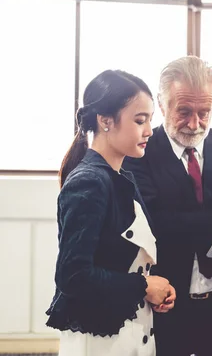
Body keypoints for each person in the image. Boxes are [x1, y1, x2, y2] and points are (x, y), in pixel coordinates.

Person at [123, 56, 212, 356]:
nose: (195, 123)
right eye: (184, 111)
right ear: (162, 106)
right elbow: (157, 225)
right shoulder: (139, 153)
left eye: (205, 112)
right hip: (167, 302)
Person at [46, 70, 176, 356]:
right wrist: (143, 286)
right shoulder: (89, 181)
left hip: (132, 335)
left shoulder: (121, 175)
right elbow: (73, 276)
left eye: (150, 120)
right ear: (105, 121)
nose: (149, 131)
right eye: (140, 120)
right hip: (102, 342)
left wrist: (154, 289)